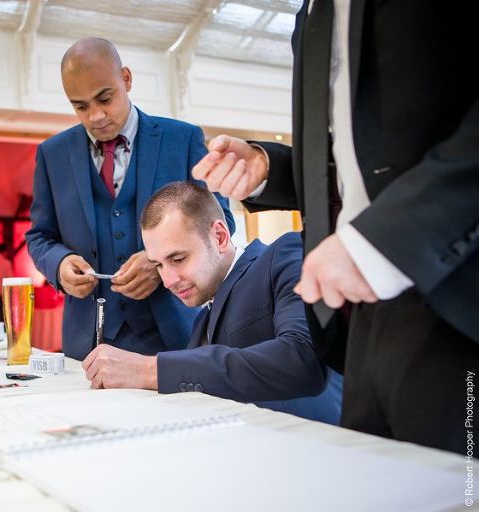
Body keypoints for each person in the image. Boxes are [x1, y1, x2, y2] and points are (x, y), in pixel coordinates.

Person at [191, 0, 478, 453]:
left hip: (456, 291)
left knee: (463, 489)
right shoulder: (313, 16)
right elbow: (357, 157)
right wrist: (270, 167)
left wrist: (382, 240)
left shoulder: (275, 260)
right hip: (358, 319)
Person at [26, 37, 235, 360]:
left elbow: (221, 223)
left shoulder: (183, 139)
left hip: (177, 335)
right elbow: (40, 235)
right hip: (87, 343)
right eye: (80, 106)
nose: (95, 116)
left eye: (104, 98)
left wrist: (158, 261)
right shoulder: (52, 155)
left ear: (126, 79)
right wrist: (59, 264)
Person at [83, 182, 342, 423]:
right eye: (158, 265)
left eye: (178, 259)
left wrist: (150, 369)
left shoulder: (282, 255)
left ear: (219, 236)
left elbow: (301, 358)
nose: (168, 280)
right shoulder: (200, 325)